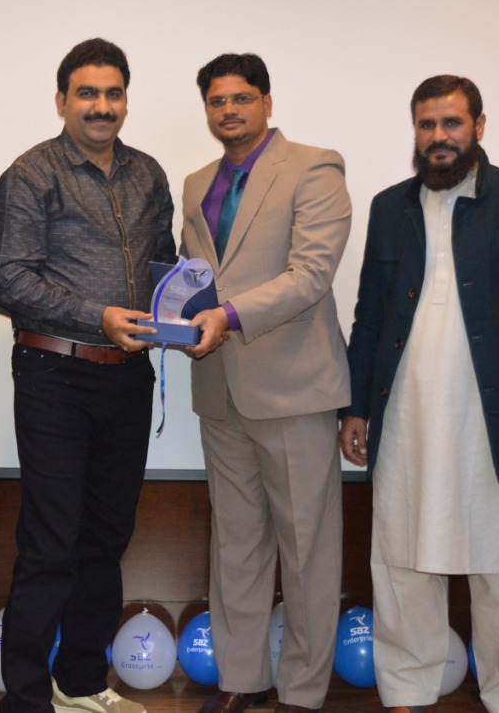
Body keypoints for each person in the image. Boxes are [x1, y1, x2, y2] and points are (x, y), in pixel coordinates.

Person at [338, 75, 499, 713]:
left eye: (452, 123)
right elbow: (369, 316)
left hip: (498, 420)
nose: (439, 136)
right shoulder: (390, 207)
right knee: (402, 563)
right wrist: (355, 407)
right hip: (406, 416)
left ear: (479, 125)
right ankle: (406, 689)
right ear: (414, 131)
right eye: (427, 125)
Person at [0, 37, 176, 713]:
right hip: (55, 375)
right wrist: (98, 315)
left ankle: (81, 682)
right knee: (50, 541)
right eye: (88, 93)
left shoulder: (148, 173)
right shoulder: (31, 173)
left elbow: (163, 266)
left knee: (105, 539)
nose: (102, 106)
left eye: (113, 93)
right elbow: (8, 279)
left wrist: (185, 310)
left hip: (128, 379)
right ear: (62, 100)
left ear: (126, 99)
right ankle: (25, 699)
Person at [180, 53, 352, 713]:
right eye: (217, 100)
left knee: (307, 549)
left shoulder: (314, 167)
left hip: (294, 389)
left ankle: (303, 691)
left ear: (267, 102)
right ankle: (243, 678)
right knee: (236, 542)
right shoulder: (196, 182)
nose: (229, 110)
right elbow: (196, 277)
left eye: (242, 98)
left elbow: (312, 274)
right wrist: (178, 315)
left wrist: (227, 315)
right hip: (219, 388)